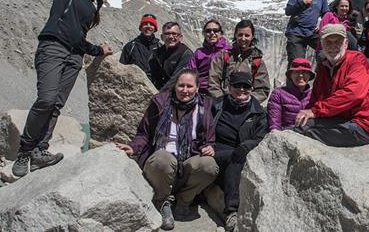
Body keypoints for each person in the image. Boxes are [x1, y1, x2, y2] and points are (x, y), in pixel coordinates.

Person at [12, 0, 113, 178]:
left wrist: (97, 50)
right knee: (45, 99)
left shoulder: (92, 8)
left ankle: (40, 149)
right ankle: (24, 151)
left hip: (73, 57)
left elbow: (79, 39)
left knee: (56, 105)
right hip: (53, 48)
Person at [116, 69, 219, 230]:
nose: (185, 90)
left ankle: (183, 202)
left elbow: (209, 139)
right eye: (181, 85)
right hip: (161, 163)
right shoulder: (160, 103)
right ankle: (162, 201)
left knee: (209, 165)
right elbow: (144, 132)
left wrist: (209, 147)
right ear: (175, 86)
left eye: (190, 86)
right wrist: (133, 147)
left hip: (186, 163)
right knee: (163, 159)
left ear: (197, 88)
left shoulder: (204, 107)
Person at [294, 24, 369, 147]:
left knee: (303, 131)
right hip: (339, 120)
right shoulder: (323, 67)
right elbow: (316, 98)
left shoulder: (357, 60)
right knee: (301, 124)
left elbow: (353, 94)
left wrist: (315, 111)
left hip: (362, 126)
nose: (333, 46)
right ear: (322, 45)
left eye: (338, 42)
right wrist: (306, 113)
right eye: (328, 42)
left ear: (345, 44)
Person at [212, 72, 269, 232]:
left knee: (236, 158)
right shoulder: (217, 105)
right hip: (215, 151)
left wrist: (246, 146)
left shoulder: (258, 112)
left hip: (240, 155)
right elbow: (203, 127)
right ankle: (232, 211)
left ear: (251, 88)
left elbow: (262, 136)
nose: (241, 89)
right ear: (229, 87)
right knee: (233, 158)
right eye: (237, 86)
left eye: (246, 86)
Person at [207, 19, 270, 102]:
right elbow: (213, 82)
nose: (243, 39)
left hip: (246, 108)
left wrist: (247, 102)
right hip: (223, 105)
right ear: (235, 35)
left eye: (247, 35)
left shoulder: (257, 61)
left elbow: (262, 90)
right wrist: (222, 101)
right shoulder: (223, 56)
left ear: (252, 37)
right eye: (240, 35)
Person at [284, 0, 329, 64]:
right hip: (296, 33)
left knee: (328, 51)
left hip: (312, 33)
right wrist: (301, 3)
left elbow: (326, 15)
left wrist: (321, 25)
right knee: (296, 63)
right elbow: (288, 11)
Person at [267, 58, 313, 131]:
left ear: (310, 76)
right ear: (290, 75)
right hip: (285, 134)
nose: (301, 75)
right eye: (297, 72)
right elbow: (274, 122)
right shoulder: (278, 93)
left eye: (304, 72)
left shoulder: (314, 95)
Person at [187, 20, 232, 95]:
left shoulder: (229, 51)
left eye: (215, 30)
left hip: (223, 91)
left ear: (221, 34)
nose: (212, 33)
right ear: (204, 34)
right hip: (201, 91)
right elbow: (190, 72)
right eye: (208, 31)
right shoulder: (198, 53)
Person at [149, 22, 193, 91]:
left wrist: (160, 95)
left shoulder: (186, 54)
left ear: (180, 37)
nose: (171, 37)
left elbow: (177, 79)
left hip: (178, 94)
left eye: (174, 34)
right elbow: (149, 74)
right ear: (162, 37)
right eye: (167, 34)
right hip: (155, 92)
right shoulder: (156, 54)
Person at [120, 13, 160, 78]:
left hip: (154, 86)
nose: (148, 26)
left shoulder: (160, 47)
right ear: (141, 28)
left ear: (155, 29)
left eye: (151, 24)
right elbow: (122, 68)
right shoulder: (131, 46)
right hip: (134, 84)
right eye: (145, 24)